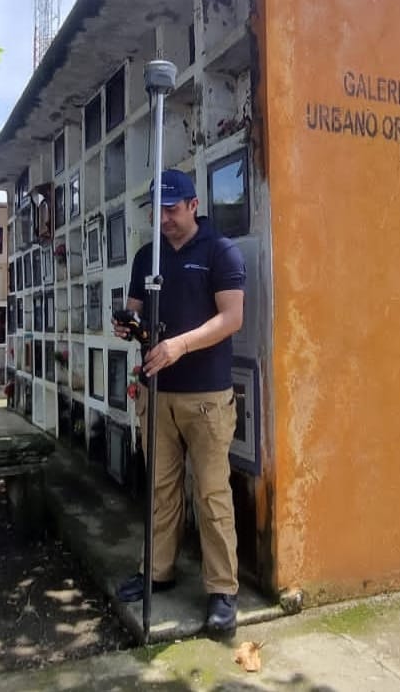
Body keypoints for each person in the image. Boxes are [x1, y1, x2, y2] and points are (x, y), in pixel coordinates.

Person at [113, 169, 246, 636]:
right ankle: (158, 572)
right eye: (158, 211)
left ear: (193, 205)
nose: (164, 219)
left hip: (206, 395)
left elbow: (232, 318)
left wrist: (179, 346)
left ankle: (222, 591)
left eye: (172, 210)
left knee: (210, 493)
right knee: (160, 489)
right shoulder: (146, 254)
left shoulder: (219, 250)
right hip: (156, 393)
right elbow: (134, 307)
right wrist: (128, 324)